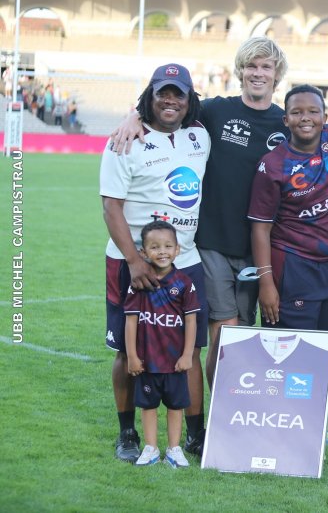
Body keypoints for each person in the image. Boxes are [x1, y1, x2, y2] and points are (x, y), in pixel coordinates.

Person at [110, 37, 290, 455]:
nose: (258, 73)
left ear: (277, 74)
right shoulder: (215, 111)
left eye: (266, 67)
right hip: (210, 245)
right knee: (223, 336)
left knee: (247, 339)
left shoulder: (286, 122)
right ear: (240, 71)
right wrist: (132, 116)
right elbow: (166, 106)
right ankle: (215, 423)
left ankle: (241, 417)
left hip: (261, 249)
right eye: (251, 66)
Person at [100, 62, 210, 463]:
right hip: (131, 263)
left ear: (189, 100)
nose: (170, 100)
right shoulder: (125, 140)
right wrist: (135, 260)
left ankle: (195, 436)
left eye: (178, 94)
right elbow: (111, 207)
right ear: (149, 96)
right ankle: (127, 433)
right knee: (127, 348)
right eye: (163, 92)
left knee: (190, 349)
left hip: (186, 261)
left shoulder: (200, 135)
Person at [248, 84, 328, 346]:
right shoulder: (273, 164)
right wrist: (266, 283)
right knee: (289, 349)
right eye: (297, 112)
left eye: (313, 111)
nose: (305, 118)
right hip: (293, 267)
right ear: (286, 120)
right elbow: (260, 228)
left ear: (325, 118)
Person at [125, 221, 200, 468]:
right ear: (144, 252)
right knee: (148, 406)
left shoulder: (184, 283)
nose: (162, 251)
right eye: (155, 247)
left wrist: (187, 354)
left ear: (177, 249)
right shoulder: (139, 283)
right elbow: (131, 322)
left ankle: (174, 449)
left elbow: (191, 321)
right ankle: (151, 448)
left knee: (175, 405)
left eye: (168, 246)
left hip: (174, 361)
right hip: (147, 361)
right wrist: (132, 356)